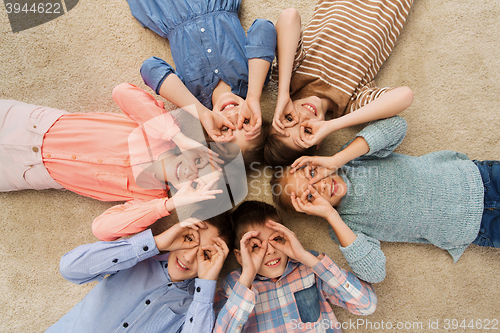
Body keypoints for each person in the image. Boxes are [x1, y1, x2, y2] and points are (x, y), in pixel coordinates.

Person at [0, 83, 242, 241]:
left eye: (198, 183)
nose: (191, 172)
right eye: (201, 163)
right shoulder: (161, 131)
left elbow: (102, 229)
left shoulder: (150, 199)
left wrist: (169, 205)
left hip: (21, 172)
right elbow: (122, 92)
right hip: (28, 125)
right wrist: (178, 137)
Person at [270, 116, 499, 283]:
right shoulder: (345, 227)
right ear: (311, 211)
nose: (320, 186)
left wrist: (336, 160)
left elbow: (397, 126)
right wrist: (331, 215)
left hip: (476, 177)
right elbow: (375, 273)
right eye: (310, 196)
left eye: (311, 174)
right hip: (477, 228)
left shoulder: (352, 159)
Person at [265, 0, 414, 166]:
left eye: (289, 118)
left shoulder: (293, 76)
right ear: (319, 140)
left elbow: (289, 16)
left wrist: (283, 93)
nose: (303, 117)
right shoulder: (350, 105)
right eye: (307, 129)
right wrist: (331, 126)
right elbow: (405, 95)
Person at [126, 0, 277, 164]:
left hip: (172, 11)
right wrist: (253, 96)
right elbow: (263, 27)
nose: (233, 115)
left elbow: (150, 68)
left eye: (226, 127)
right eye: (244, 121)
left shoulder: (191, 97)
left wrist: (202, 113)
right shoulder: (254, 78)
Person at [45, 212, 233, 333]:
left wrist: (207, 283)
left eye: (206, 254)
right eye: (190, 239)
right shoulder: (136, 258)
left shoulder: (198, 309)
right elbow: (70, 268)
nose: (189, 257)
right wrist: (157, 243)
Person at [214, 201, 377, 332]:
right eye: (256, 246)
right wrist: (247, 277)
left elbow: (366, 305)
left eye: (276, 239)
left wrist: (305, 257)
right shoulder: (232, 286)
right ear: (240, 256)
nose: (270, 250)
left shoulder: (308, 268)